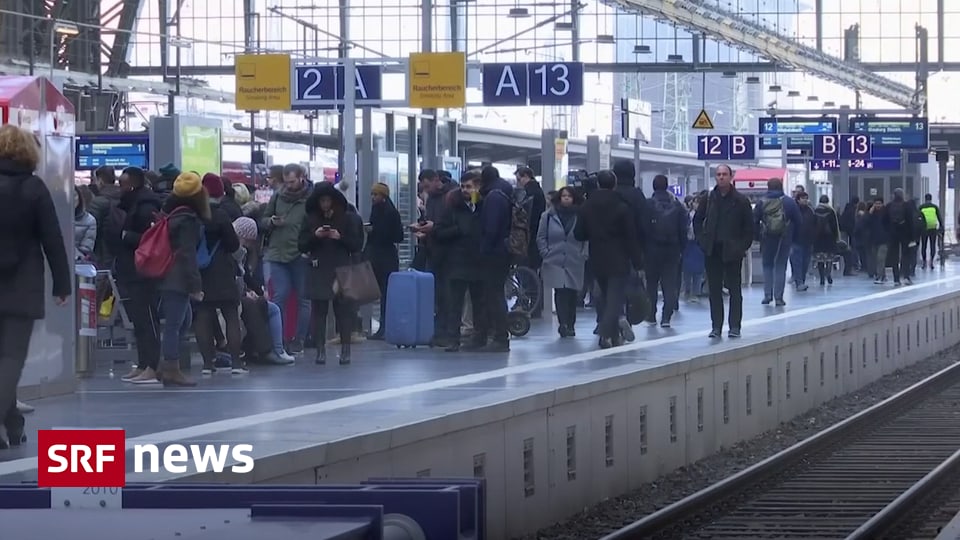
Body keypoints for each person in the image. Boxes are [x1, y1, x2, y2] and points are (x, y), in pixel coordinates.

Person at [0, 125, 71, 449]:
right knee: (11, 359)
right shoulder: (34, 188)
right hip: (22, 285)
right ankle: (10, 422)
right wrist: (62, 283)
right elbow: (52, 239)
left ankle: (12, 423)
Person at [574, 170, 643, 349]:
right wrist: (638, 262)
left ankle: (612, 334)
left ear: (598, 184)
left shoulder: (587, 206)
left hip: (597, 257)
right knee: (615, 298)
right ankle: (607, 331)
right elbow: (631, 236)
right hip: (619, 257)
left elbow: (579, 234)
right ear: (614, 184)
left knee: (603, 296)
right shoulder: (622, 206)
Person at [298, 181, 364, 365]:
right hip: (319, 267)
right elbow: (301, 244)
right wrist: (315, 236)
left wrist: (339, 238)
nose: (325, 205)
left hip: (341, 267)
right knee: (319, 311)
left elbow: (357, 244)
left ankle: (345, 349)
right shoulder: (310, 219)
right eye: (322, 201)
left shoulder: (348, 218)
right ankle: (320, 350)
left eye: (328, 201)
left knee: (343, 311)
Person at [156, 172, 208, 387]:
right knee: (175, 324)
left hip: (169, 274)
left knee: (182, 321)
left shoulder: (173, 214)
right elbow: (187, 254)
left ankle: (167, 364)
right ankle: (171, 368)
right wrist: (195, 285)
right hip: (177, 278)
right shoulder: (188, 220)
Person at [694, 164, 754, 338]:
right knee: (714, 290)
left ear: (731, 176)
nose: (721, 177)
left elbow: (749, 228)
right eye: (718, 174)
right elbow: (697, 220)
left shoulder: (741, 200)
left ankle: (735, 326)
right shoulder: (709, 199)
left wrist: (742, 246)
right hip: (712, 250)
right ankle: (716, 326)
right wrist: (702, 240)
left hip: (732, 250)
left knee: (735, 289)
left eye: (724, 174)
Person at [194, 173, 244, 375]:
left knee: (203, 316)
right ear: (221, 193)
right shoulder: (221, 215)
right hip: (222, 270)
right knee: (231, 315)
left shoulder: (194, 215)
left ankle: (207, 364)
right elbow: (232, 244)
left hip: (200, 271)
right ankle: (236, 364)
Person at [260, 164, 312, 353]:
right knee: (279, 296)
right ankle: (278, 340)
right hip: (278, 253)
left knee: (303, 299)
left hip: (300, 254)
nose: (289, 186)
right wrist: (272, 221)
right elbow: (263, 221)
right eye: (287, 182)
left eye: (292, 181)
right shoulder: (277, 197)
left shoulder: (310, 199)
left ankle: (299, 340)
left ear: (301, 178)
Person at [233, 217, 295, 366]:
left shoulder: (240, 253)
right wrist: (246, 293)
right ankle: (270, 350)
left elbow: (244, 276)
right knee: (260, 307)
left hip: (237, 292)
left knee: (265, 305)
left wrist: (256, 291)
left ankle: (274, 350)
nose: (248, 245)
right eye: (247, 241)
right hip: (231, 295)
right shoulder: (234, 253)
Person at [434, 174, 486, 351]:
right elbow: (439, 232)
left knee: (479, 302)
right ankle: (452, 339)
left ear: (477, 188)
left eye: (469, 187)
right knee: (454, 303)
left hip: (478, 262)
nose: (465, 190)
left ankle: (479, 336)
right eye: (463, 186)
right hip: (457, 262)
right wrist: (458, 230)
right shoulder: (452, 208)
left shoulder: (482, 207)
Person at [537, 186, 587, 337]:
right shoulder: (548, 216)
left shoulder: (580, 216)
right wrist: (545, 252)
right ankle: (563, 323)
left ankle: (571, 323)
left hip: (574, 258)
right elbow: (541, 236)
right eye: (563, 196)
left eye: (569, 196)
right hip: (555, 258)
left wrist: (583, 253)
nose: (566, 198)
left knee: (572, 292)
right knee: (560, 291)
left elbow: (586, 237)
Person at [643, 174, 687, 328]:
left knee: (652, 284)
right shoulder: (677, 206)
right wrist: (682, 248)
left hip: (652, 249)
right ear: (667, 186)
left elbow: (643, 229)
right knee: (669, 283)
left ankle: (651, 314)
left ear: (654, 187)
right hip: (672, 250)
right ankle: (667, 316)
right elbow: (684, 229)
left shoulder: (647, 204)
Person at [364, 182, 404, 340]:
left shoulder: (391, 213)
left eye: (376, 195)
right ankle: (383, 326)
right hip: (379, 254)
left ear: (383, 196)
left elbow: (397, 235)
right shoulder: (378, 210)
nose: (373, 197)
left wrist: (376, 231)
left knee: (386, 292)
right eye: (372, 194)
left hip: (386, 256)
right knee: (382, 291)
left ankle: (385, 326)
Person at [753, 178, 800, 307]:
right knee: (780, 266)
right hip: (784, 238)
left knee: (767, 265)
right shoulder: (789, 202)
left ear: (768, 187)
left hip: (767, 238)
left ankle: (767, 295)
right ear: (781, 187)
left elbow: (755, 221)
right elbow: (798, 221)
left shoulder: (761, 202)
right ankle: (779, 298)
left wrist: (758, 237)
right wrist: (794, 238)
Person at [812, 195, 841, 286]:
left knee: (819, 259)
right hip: (829, 238)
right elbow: (835, 226)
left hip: (818, 238)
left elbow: (812, 225)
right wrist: (837, 237)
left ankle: (821, 278)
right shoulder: (831, 211)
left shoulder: (815, 210)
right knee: (829, 258)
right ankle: (828, 274)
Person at [790, 192, 815, 291]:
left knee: (805, 263)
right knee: (797, 262)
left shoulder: (810, 210)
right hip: (796, 240)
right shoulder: (794, 210)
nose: (805, 200)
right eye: (802, 198)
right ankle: (799, 282)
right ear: (798, 199)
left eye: (806, 198)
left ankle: (802, 281)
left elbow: (814, 223)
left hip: (808, 241)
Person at [918, 193, 943, 270]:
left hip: (924, 229)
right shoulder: (935, 207)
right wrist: (941, 227)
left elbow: (918, 218)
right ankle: (931, 261)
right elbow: (939, 217)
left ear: (925, 199)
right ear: (931, 199)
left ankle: (924, 262)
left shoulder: (921, 207)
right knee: (932, 245)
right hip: (933, 228)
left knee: (924, 246)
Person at [73, 185, 97, 261]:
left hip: (78, 262)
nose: (72, 199)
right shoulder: (53, 217)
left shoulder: (89, 220)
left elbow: (86, 248)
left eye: (74, 195)